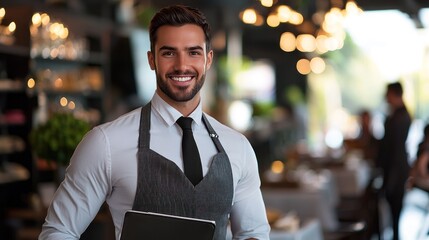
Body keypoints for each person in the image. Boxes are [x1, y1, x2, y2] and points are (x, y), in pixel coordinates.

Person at [38, 5, 270, 240]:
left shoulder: (237, 147)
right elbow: (59, 231)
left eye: (193, 52)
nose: (182, 65)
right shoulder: (106, 143)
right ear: (151, 59)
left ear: (208, 59)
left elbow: (254, 233)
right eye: (169, 53)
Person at [376, 82, 411, 240]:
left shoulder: (401, 117)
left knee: (395, 207)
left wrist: (392, 177)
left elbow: (394, 148)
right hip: (393, 167)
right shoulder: (397, 115)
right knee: (392, 208)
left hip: (395, 168)